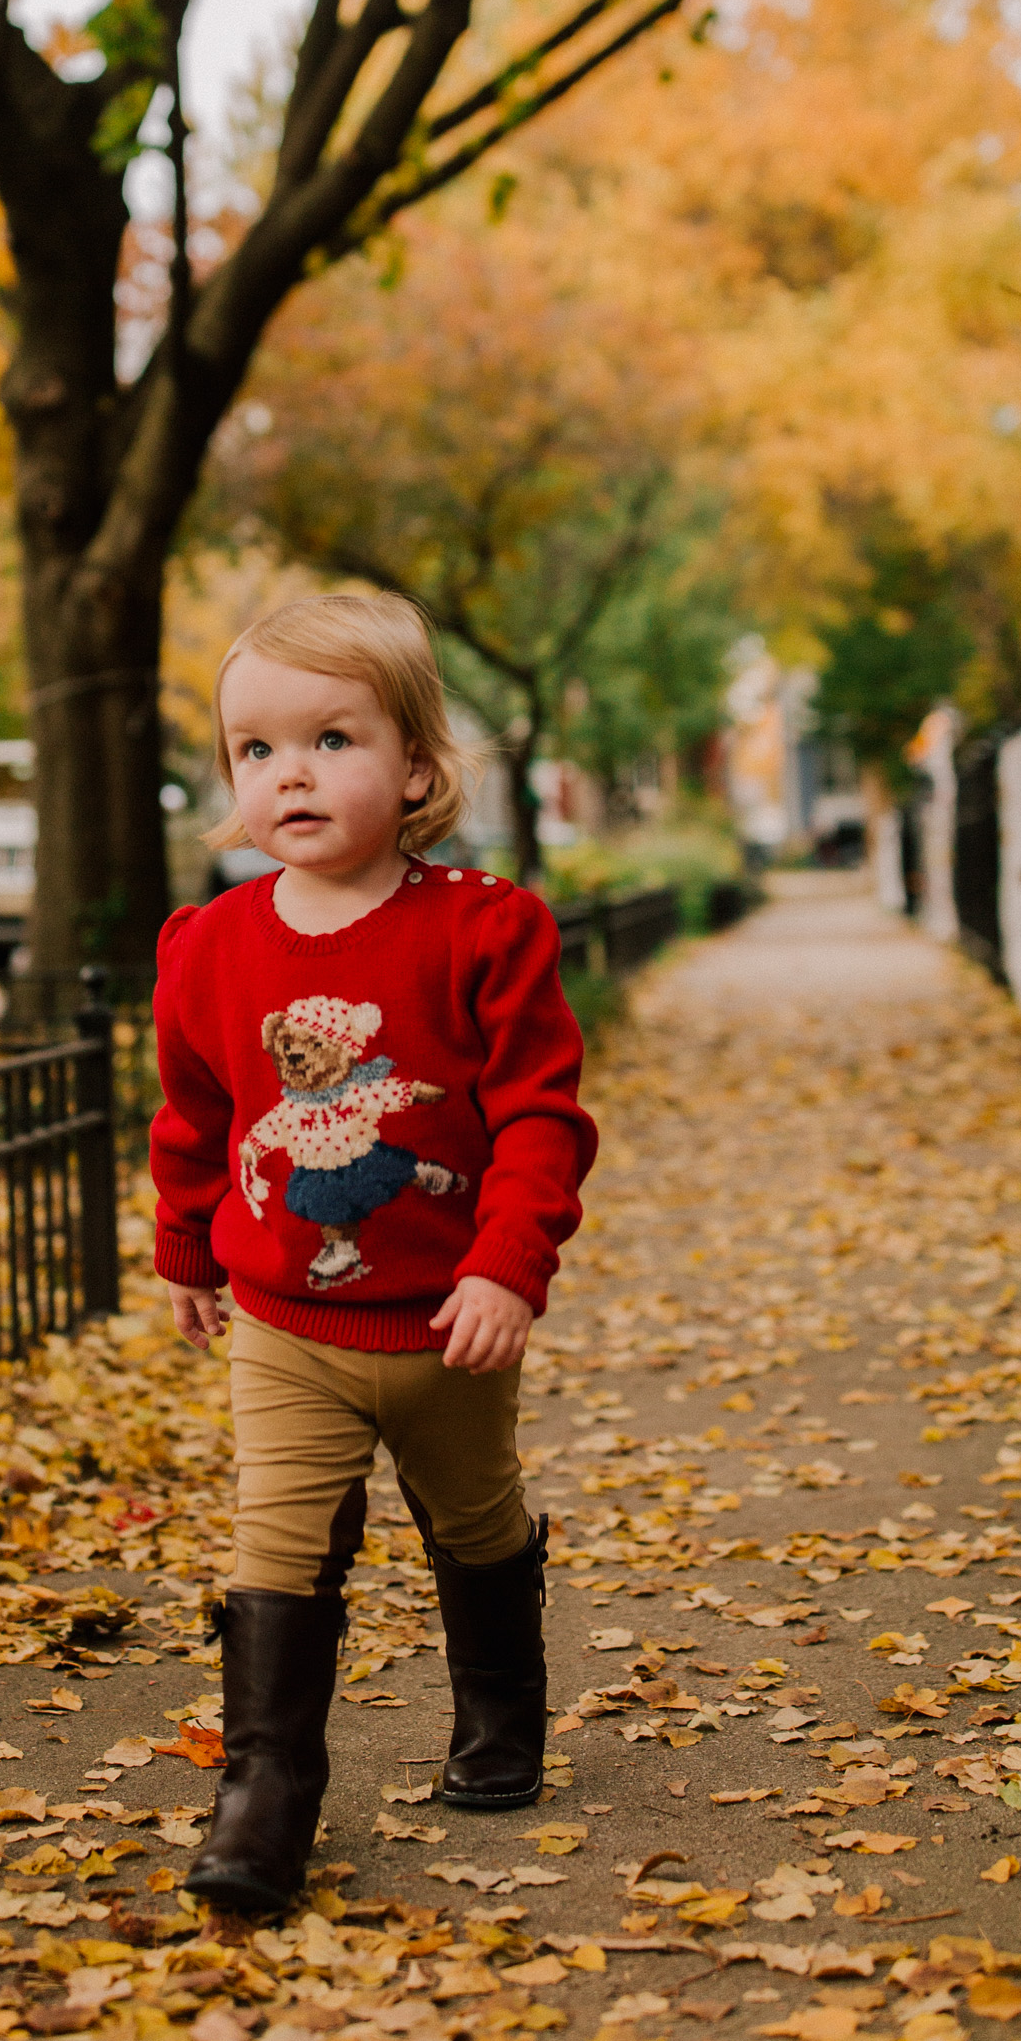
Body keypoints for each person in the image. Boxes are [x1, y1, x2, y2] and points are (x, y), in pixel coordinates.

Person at [150, 590, 598, 1914]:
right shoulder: (210, 949)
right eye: (257, 750)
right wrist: (185, 1250)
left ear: (414, 767)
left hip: (451, 1326)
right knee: (274, 1549)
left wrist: (509, 1265)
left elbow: (539, 1117)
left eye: (333, 739)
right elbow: (196, 1117)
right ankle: (265, 1793)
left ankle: (500, 1718)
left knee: (475, 1523)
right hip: (287, 1324)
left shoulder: (481, 929)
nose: (291, 771)